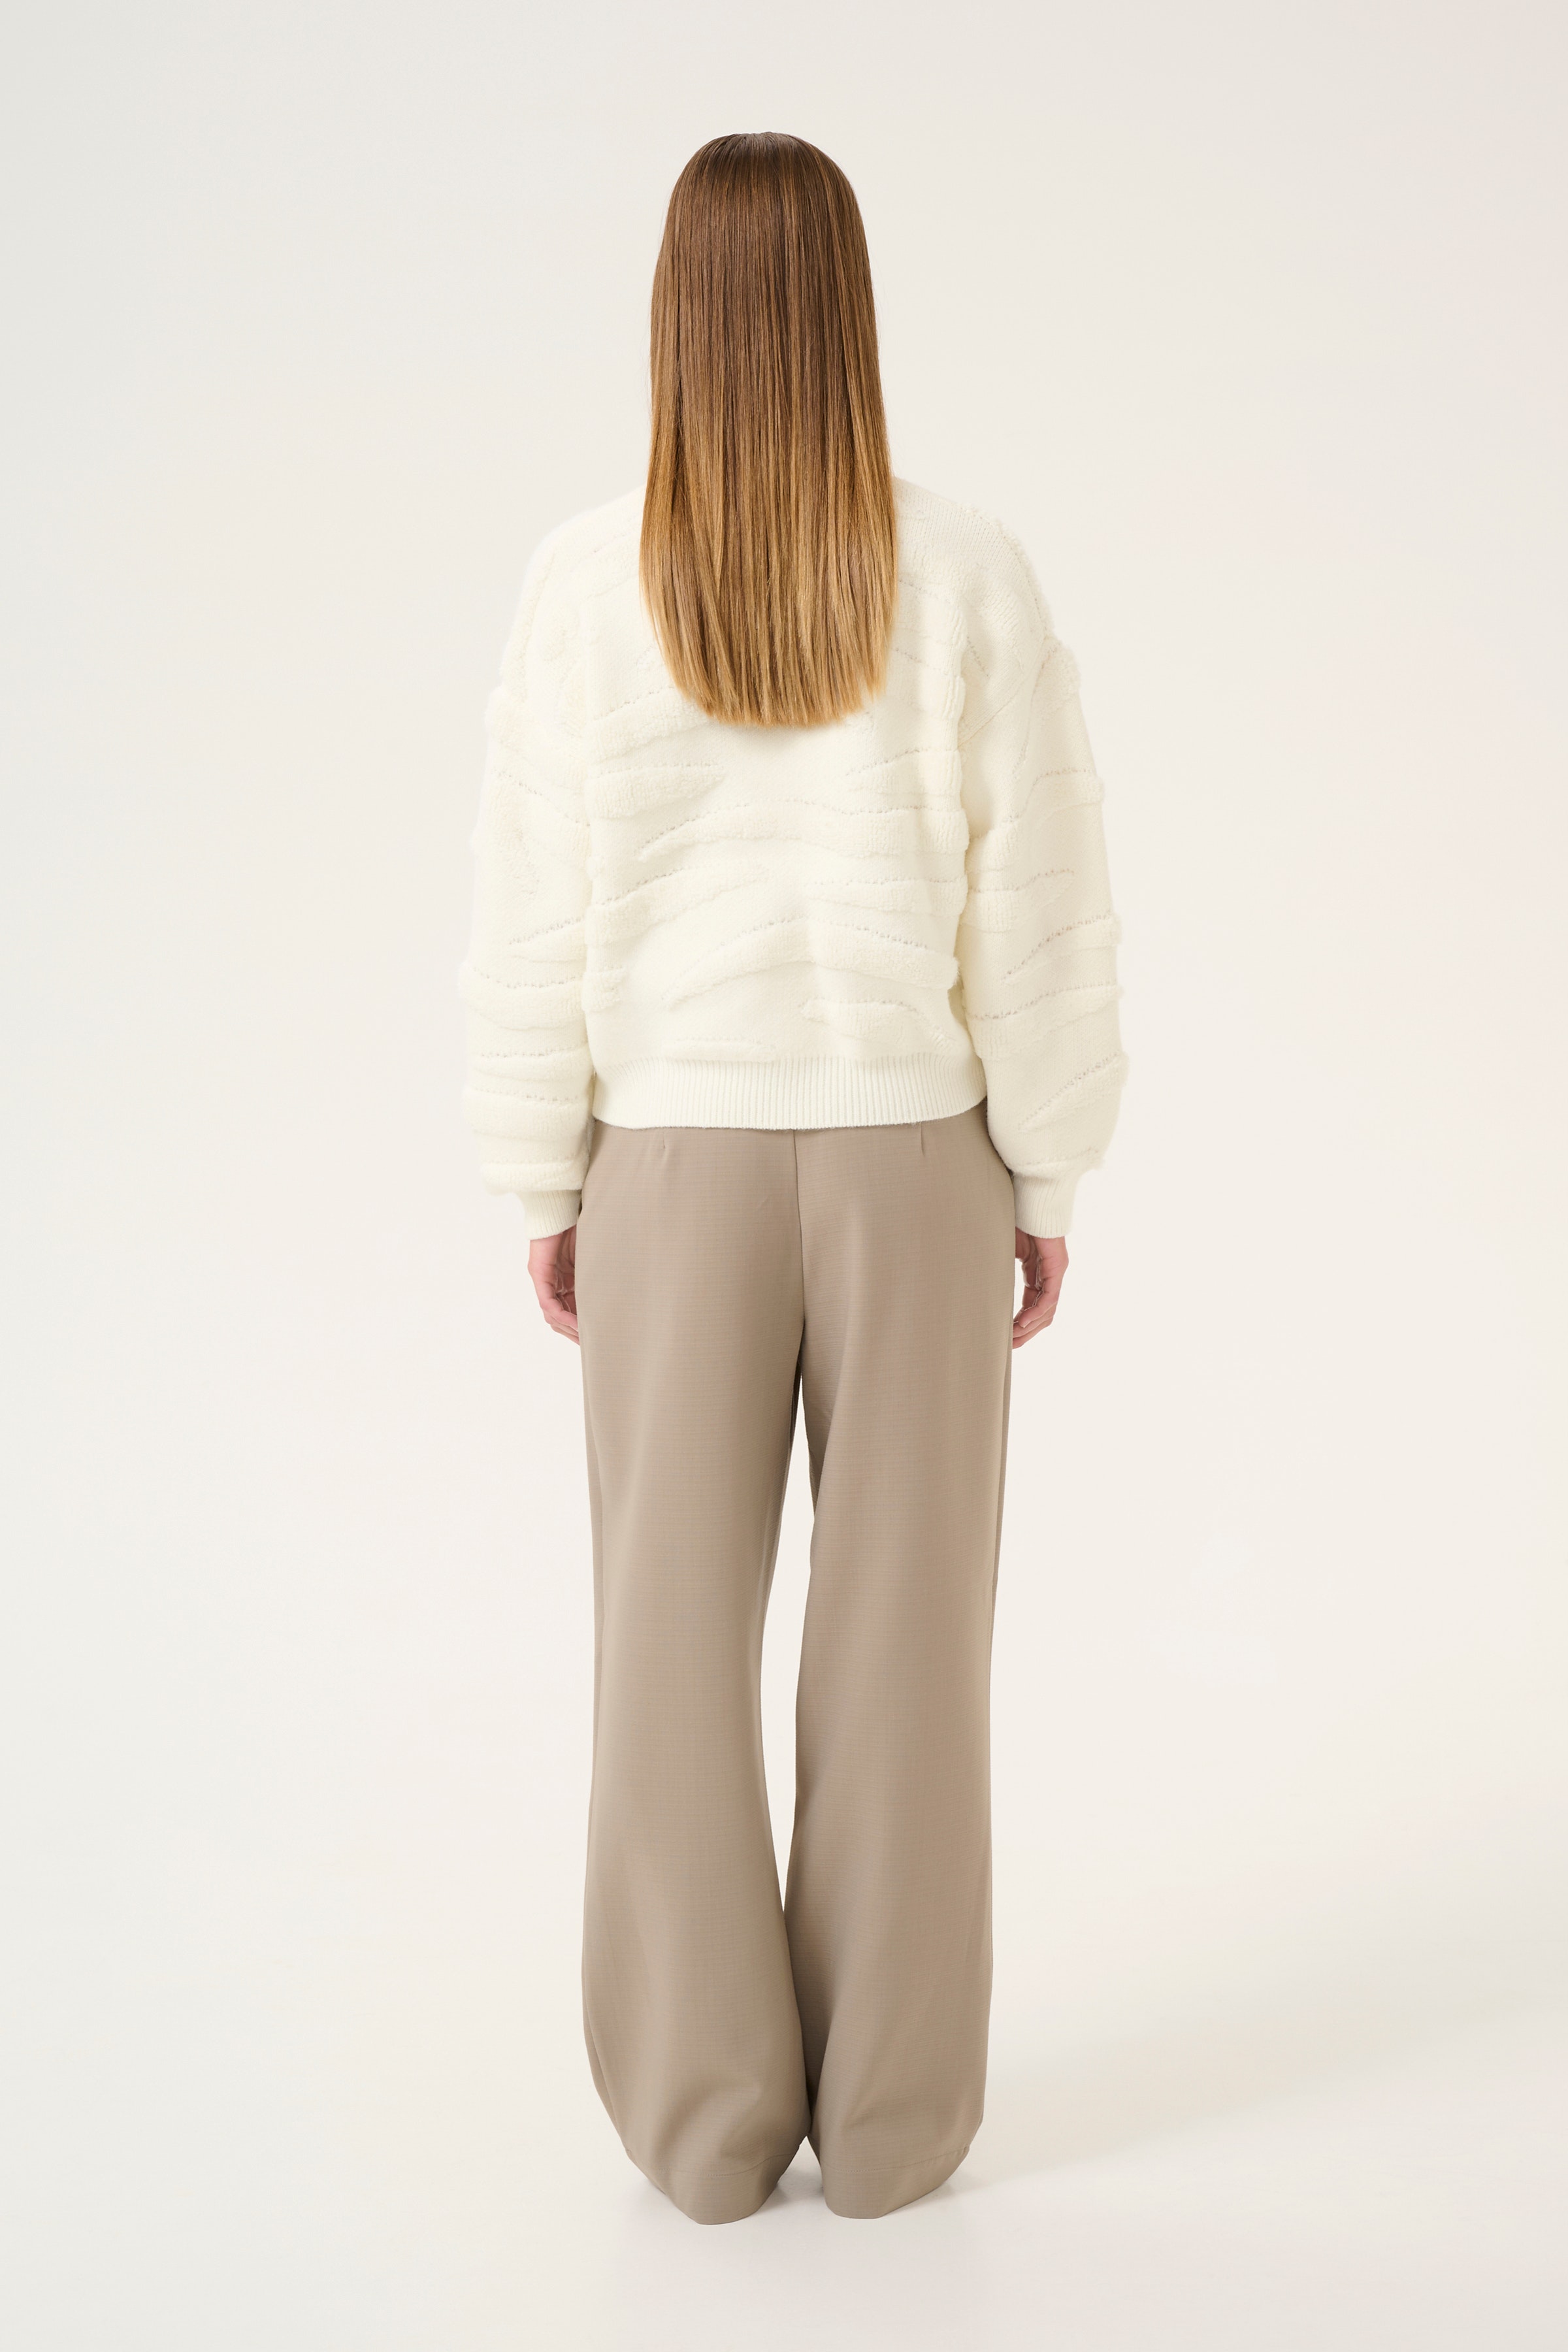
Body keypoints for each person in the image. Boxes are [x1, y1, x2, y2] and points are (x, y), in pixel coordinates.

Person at [460, 131, 1126, 2225]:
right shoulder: (970, 571)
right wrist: (1045, 1174)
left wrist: (544, 1175)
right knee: (908, 1647)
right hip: (917, 1160)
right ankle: (899, 2126)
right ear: (850, 312)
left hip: (668, 1164)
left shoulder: (585, 583)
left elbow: (531, 910)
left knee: (661, 1644)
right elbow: (1042, 906)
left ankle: (704, 2123)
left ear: (675, 313)